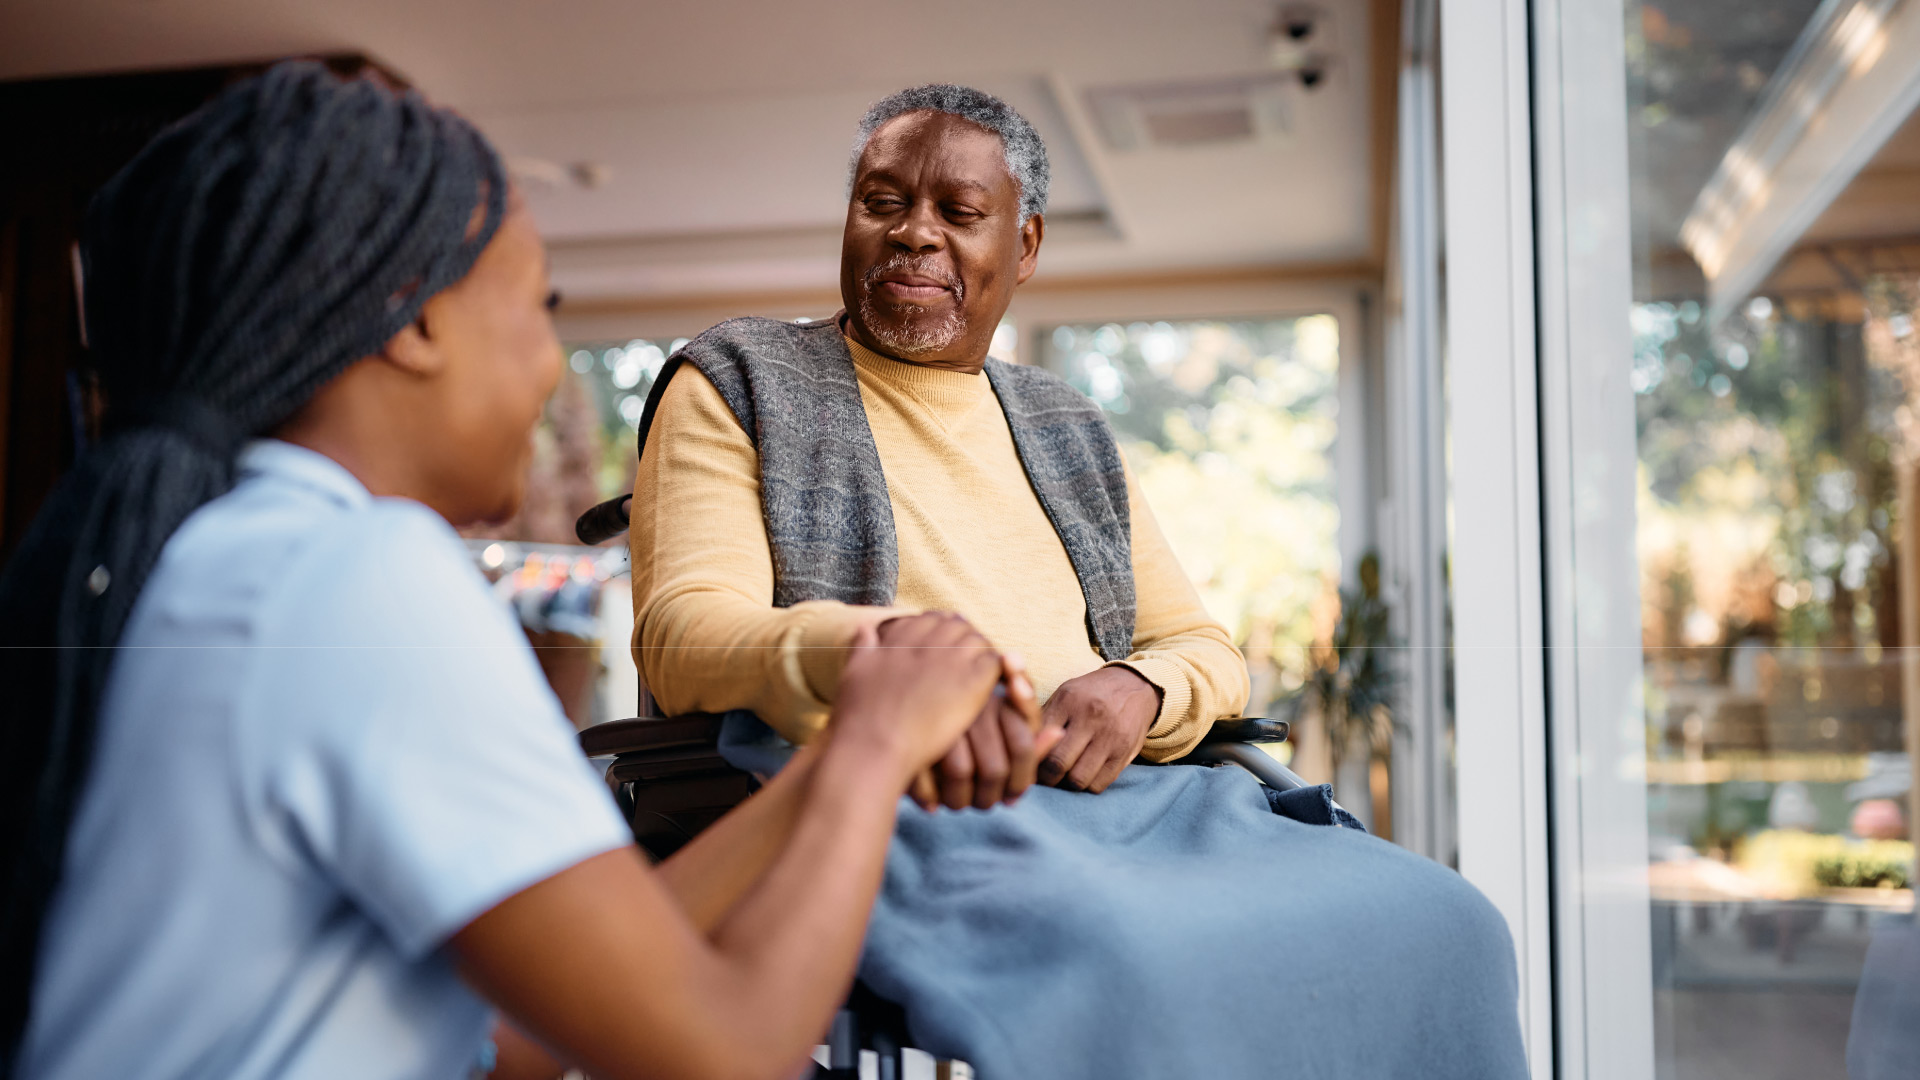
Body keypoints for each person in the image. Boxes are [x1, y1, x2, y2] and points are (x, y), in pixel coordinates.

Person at [0, 62, 1033, 1080]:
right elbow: (723, 1052)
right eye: (539, 306)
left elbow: (519, 1036)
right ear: (413, 320)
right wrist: (873, 735)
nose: (552, 364)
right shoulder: (359, 582)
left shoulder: (232, 559)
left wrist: (832, 771)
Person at [629, 85, 1250, 809]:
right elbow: (684, 637)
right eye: (882, 202)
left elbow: (1205, 651)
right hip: (889, 805)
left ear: (1025, 246)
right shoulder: (741, 378)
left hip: (1124, 803)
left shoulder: (1069, 426)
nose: (914, 234)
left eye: (960, 213)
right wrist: (882, 656)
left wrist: (1146, 686)